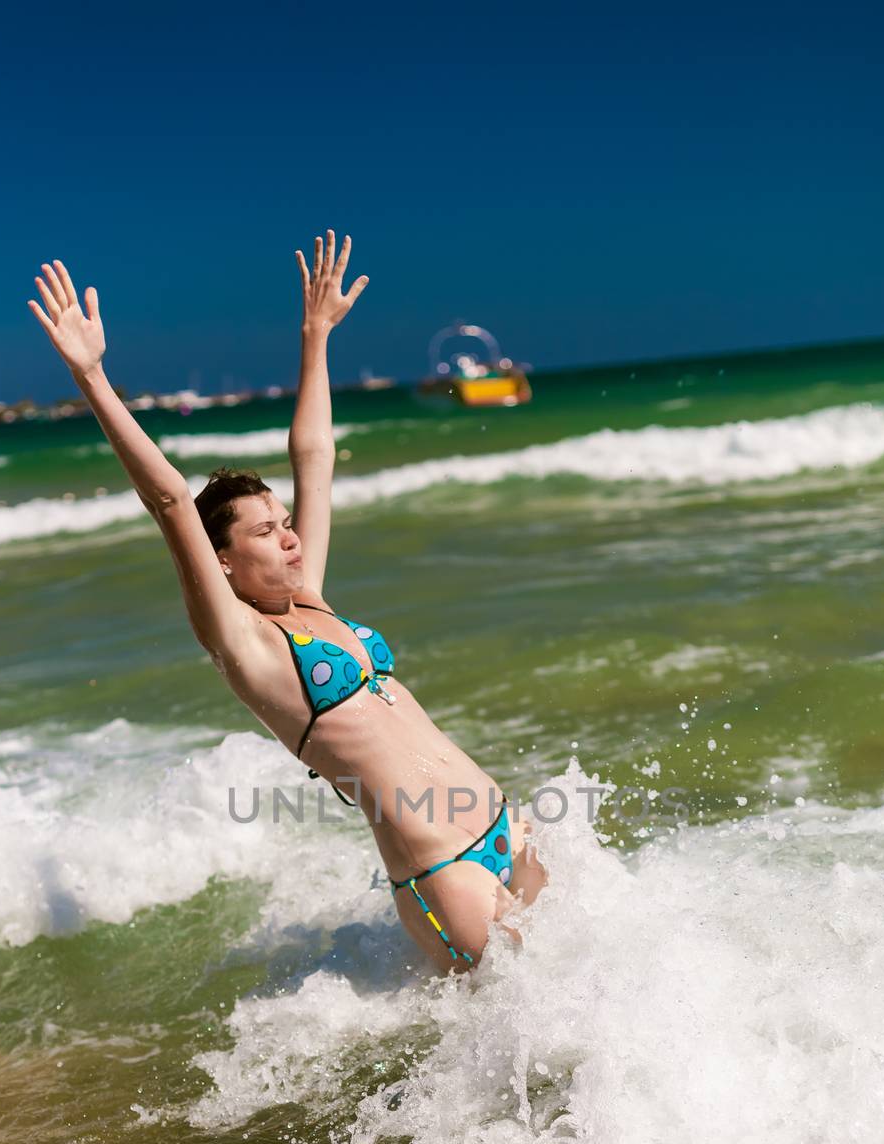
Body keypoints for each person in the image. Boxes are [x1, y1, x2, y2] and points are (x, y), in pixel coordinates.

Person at [27, 232, 547, 973]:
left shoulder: (313, 601)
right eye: (266, 532)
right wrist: (92, 379)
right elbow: (170, 499)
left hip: (504, 826)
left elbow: (316, 457)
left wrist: (315, 338)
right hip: (444, 873)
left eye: (288, 523)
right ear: (224, 560)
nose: (291, 537)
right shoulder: (243, 643)